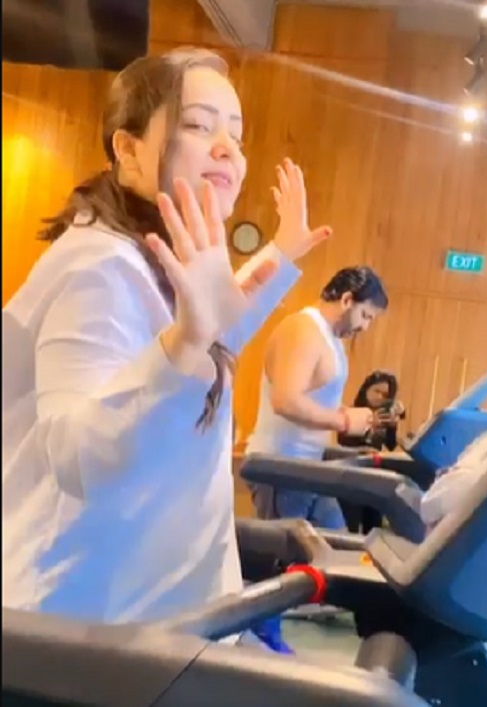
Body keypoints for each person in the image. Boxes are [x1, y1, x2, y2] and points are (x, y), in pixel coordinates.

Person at [1, 47, 331, 652]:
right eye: (199, 125)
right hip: (89, 634)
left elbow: (209, 334)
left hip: (153, 619)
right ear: (128, 151)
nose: (227, 149)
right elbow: (78, 456)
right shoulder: (99, 267)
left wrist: (280, 256)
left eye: (236, 135)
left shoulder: (145, 255)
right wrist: (188, 338)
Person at [246, 266, 389, 530]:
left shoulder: (330, 338)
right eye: (365, 315)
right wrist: (344, 422)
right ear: (347, 300)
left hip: (308, 467)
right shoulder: (303, 330)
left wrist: (348, 414)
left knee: (338, 548)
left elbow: (314, 399)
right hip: (282, 469)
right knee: (289, 553)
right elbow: (285, 400)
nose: (365, 326)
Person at [337, 370, 406, 533]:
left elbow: (390, 445)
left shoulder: (384, 416)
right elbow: (343, 441)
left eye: (385, 395)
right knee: (351, 521)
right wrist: (368, 425)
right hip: (351, 473)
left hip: (373, 472)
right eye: (376, 391)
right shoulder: (353, 413)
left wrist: (392, 427)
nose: (380, 397)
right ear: (366, 389)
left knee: (374, 521)